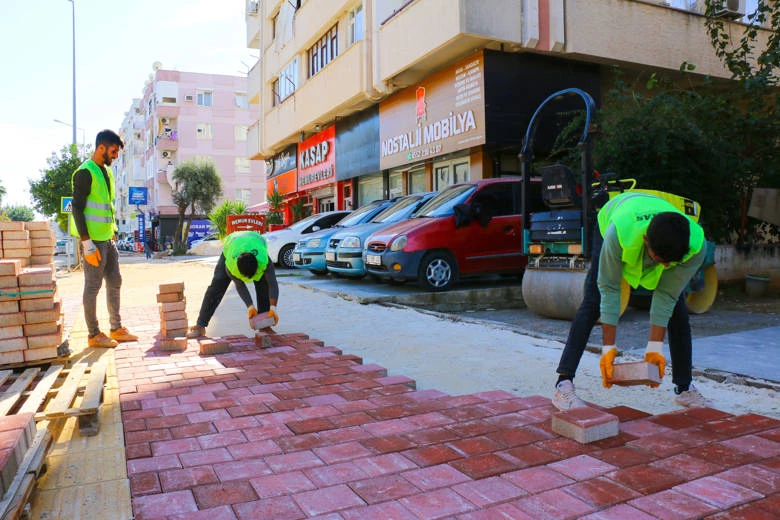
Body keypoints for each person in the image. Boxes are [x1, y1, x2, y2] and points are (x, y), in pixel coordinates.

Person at [552, 192, 708, 411]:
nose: (664, 267)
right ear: (646, 241)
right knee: (593, 300)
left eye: (669, 263)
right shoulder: (618, 234)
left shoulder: (696, 245)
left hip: (652, 218)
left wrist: (654, 347)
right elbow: (610, 288)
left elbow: (666, 295)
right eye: (659, 260)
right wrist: (608, 349)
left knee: (677, 309)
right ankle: (563, 383)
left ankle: (684, 388)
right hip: (614, 215)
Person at [70, 130, 139, 348]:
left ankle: (116, 328)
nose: (116, 155)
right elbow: (77, 209)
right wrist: (86, 243)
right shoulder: (85, 173)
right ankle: (93, 334)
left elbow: (107, 207)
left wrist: (114, 233)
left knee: (115, 281)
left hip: (107, 238)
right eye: (113, 151)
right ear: (101, 148)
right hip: (92, 240)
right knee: (92, 286)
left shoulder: (106, 172)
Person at [186, 230, 280, 338]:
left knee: (263, 285)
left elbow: (272, 284)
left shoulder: (264, 261)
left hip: (254, 242)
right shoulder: (231, 265)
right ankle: (200, 325)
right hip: (232, 246)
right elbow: (240, 286)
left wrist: (273, 308)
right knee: (217, 286)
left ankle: (265, 326)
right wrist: (250, 307)